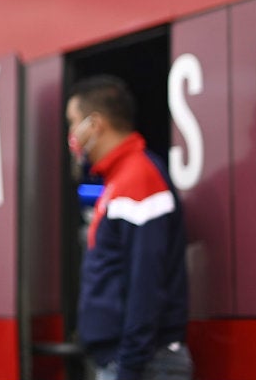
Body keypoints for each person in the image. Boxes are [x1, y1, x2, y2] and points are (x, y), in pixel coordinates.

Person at [65, 75, 192, 380]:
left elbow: (146, 282)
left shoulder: (138, 179)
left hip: (144, 364)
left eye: (73, 122)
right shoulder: (120, 179)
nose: (71, 135)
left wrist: (129, 367)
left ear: (94, 125)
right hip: (128, 361)